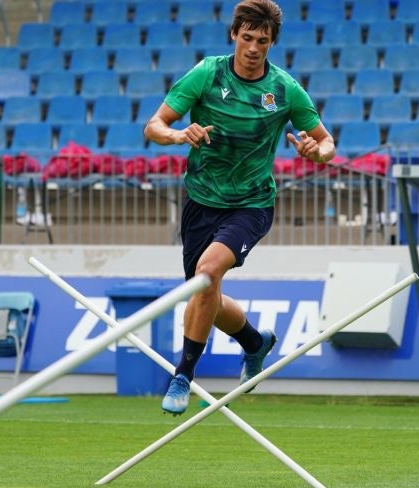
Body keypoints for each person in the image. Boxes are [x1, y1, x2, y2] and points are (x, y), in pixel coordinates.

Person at [144, 0, 336, 415]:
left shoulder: (284, 89)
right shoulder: (207, 73)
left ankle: (183, 376)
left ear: (272, 44)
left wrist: (314, 152)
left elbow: (327, 143)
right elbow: (154, 126)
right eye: (246, 38)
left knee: (207, 272)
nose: (252, 47)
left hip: (251, 205)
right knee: (205, 290)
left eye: (262, 41)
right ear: (234, 35)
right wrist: (178, 136)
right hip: (200, 200)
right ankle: (255, 342)